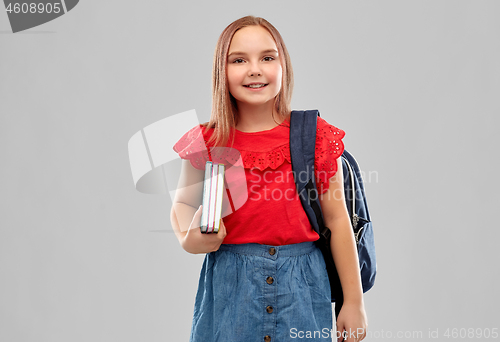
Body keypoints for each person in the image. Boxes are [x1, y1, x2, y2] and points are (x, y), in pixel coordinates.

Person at [170, 15, 367, 342]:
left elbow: (337, 219)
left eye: (267, 57)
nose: (254, 69)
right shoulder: (207, 140)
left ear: (283, 65)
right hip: (231, 289)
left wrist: (354, 301)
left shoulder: (312, 137)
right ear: (222, 70)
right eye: (239, 60)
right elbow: (183, 204)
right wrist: (190, 237)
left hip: (303, 287)